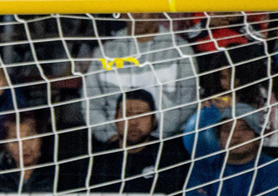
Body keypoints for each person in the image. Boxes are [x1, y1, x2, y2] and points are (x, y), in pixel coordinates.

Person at [82, 9, 198, 145]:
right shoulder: (105, 52)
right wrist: (110, 136)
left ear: (157, 11)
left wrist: (156, 137)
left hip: (166, 143)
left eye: (143, 8)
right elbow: (91, 103)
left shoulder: (180, 50)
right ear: (122, 13)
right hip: (115, 143)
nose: (137, 15)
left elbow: (188, 103)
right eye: (131, 9)